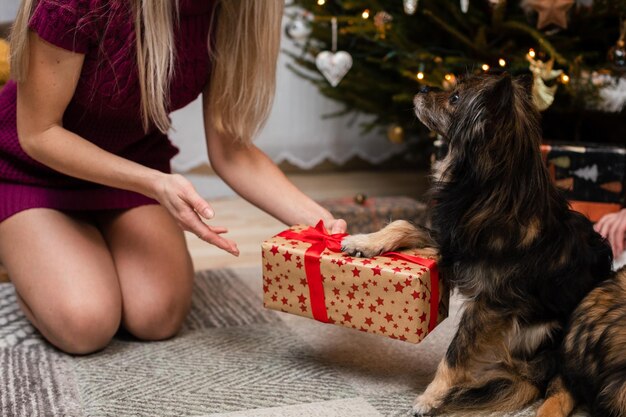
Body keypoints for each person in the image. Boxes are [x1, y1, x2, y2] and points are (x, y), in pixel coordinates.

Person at [0, 0, 346, 355]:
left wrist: (324, 227)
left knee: (157, 317)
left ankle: (67, 252)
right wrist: (153, 183)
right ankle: (20, 251)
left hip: (133, 163)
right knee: (86, 324)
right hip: (30, 170)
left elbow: (231, 151)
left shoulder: (235, 11)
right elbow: (39, 134)